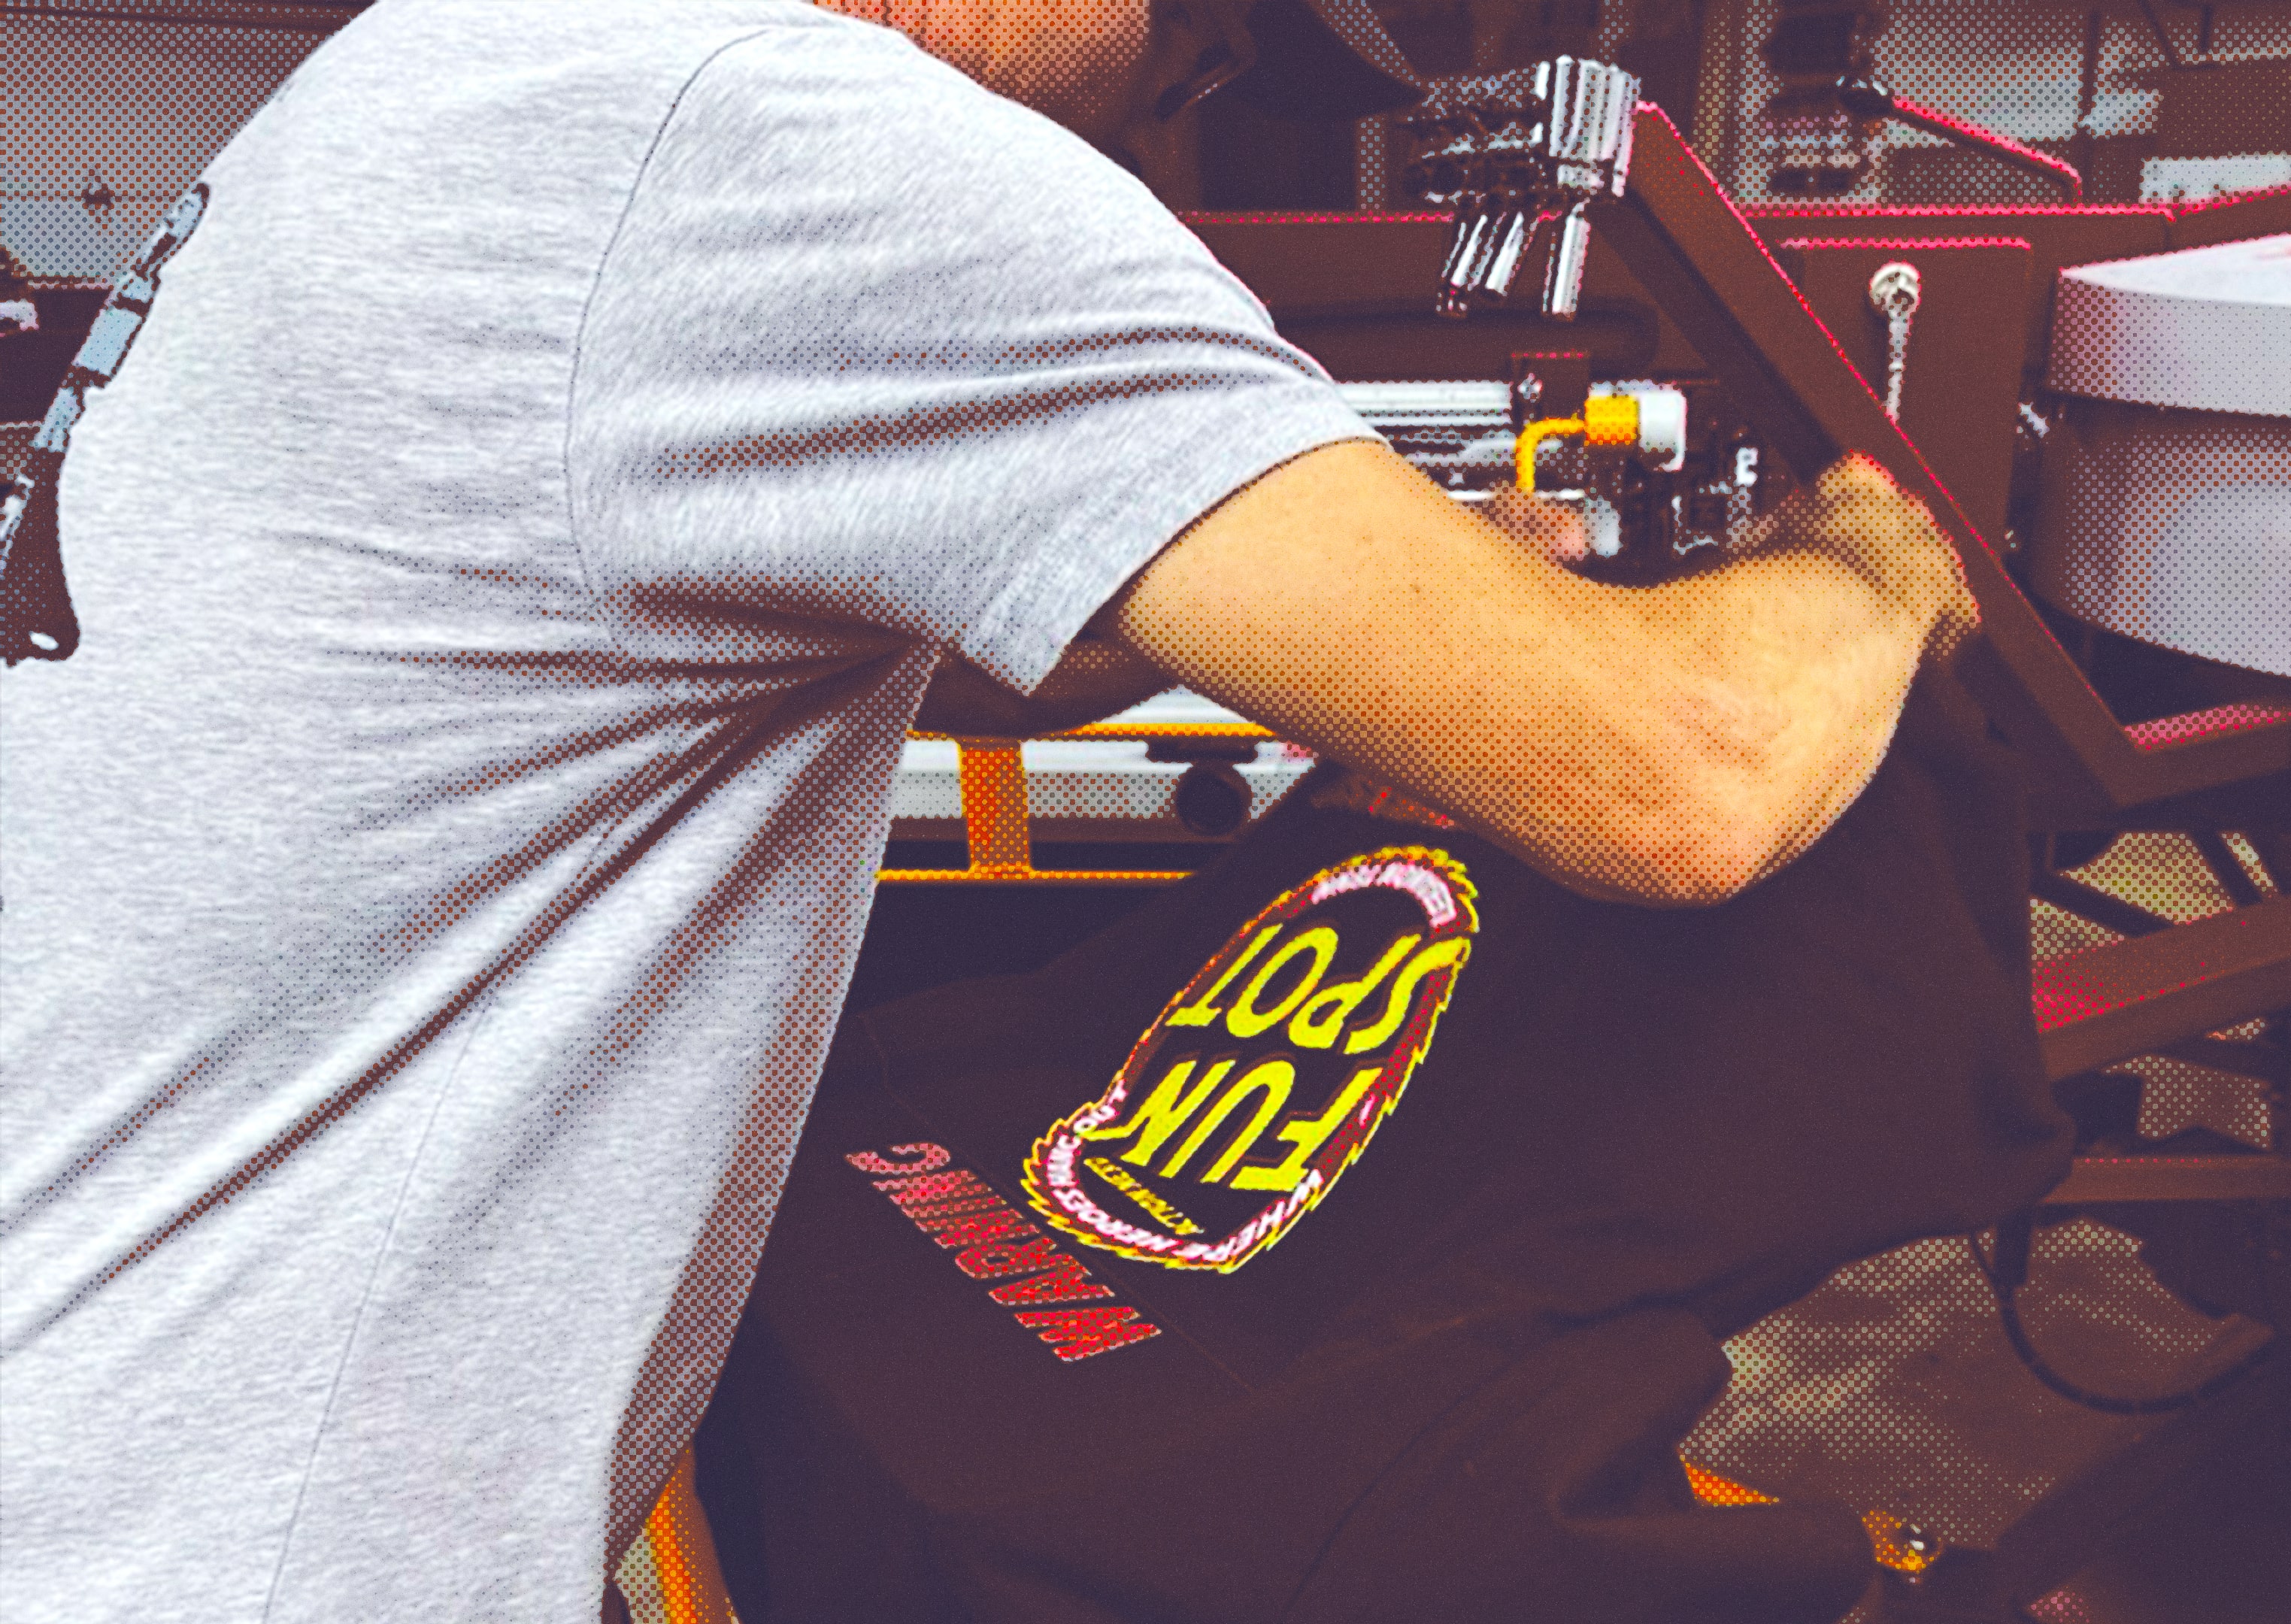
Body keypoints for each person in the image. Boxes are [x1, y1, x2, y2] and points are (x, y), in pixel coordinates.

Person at [0, 2, 1977, 1619]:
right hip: (221, 1547)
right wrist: (1870, 568)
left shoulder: (448, 69)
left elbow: (690, 604)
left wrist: (1329, 587)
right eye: (1191, 44)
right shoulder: (803, 142)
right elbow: (1684, 778)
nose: (1174, 110)